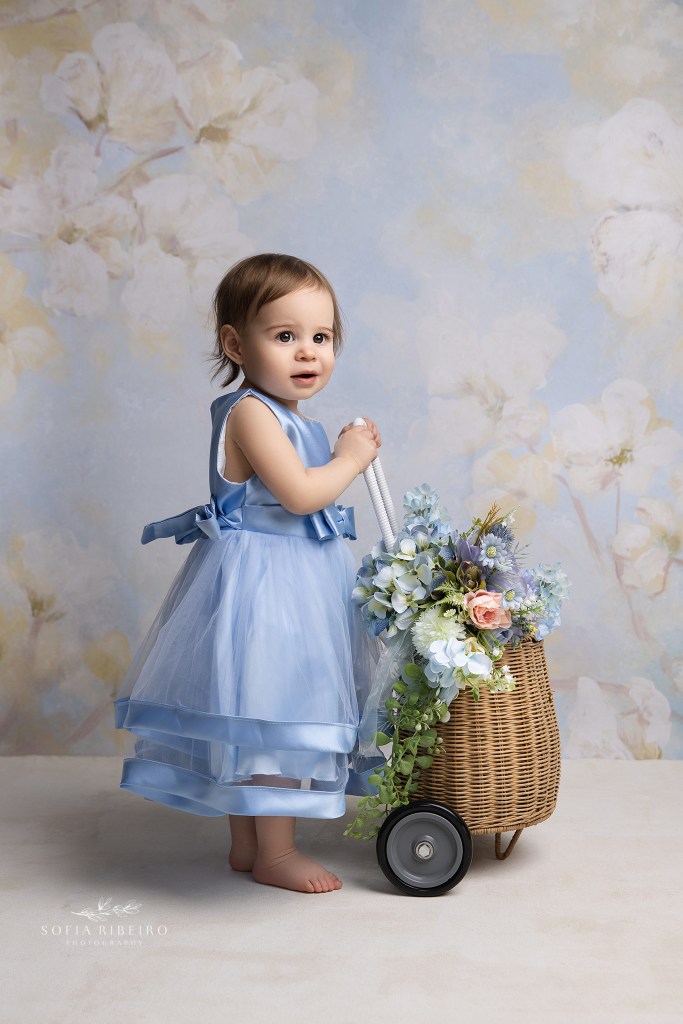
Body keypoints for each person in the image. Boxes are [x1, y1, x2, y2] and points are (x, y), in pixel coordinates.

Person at [114, 253, 383, 894]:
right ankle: (276, 852)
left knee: (254, 706)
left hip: (299, 580)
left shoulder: (298, 418)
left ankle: (246, 844)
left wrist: (336, 449)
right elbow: (298, 494)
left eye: (321, 338)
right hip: (267, 586)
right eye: (284, 336)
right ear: (236, 343)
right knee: (272, 707)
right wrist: (351, 457)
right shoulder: (250, 413)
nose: (307, 353)